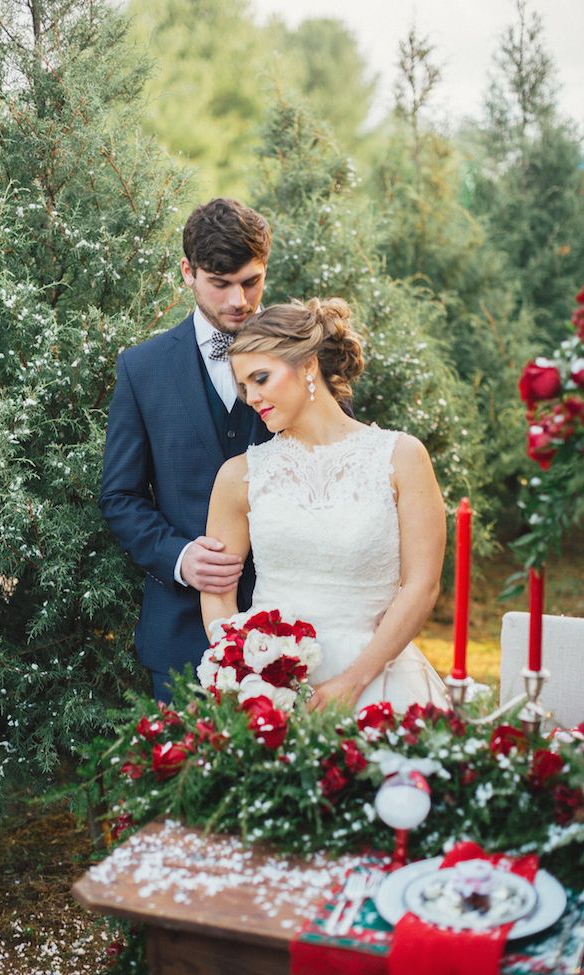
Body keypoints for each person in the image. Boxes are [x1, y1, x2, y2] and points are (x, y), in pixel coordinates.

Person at [201, 297, 449, 713]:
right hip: (271, 695)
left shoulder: (401, 457)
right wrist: (242, 672)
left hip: (379, 682)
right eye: (244, 386)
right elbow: (218, 592)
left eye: (261, 378)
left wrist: (355, 679)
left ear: (308, 365)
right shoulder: (238, 475)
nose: (251, 397)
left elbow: (422, 586)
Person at [100, 198, 273, 701]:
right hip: (180, 639)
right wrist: (179, 557)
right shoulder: (142, 369)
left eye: (252, 281)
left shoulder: (307, 357)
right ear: (188, 272)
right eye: (220, 284)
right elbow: (121, 496)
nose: (239, 300)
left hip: (297, 623)